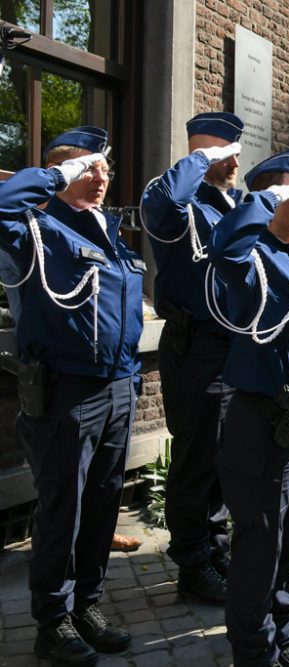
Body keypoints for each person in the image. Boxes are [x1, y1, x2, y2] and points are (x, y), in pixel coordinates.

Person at [0, 127, 141, 665]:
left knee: (104, 504)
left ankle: (87, 604)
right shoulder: (32, 228)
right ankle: (52, 620)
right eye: (90, 168)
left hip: (120, 385)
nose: (102, 177)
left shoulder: (108, 231)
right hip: (67, 393)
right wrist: (60, 174)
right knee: (65, 510)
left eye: (106, 169)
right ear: (62, 174)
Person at [208, 149, 289, 667]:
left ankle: (281, 636)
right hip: (261, 426)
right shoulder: (250, 254)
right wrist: (259, 198)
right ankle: (253, 651)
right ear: (270, 199)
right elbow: (225, 253)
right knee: (259, 547)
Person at [141, 111, 244, 604]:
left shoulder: (232, 208)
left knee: (222, 459)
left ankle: (214, 546)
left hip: (231, 348)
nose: (234, 160)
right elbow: (162, 203)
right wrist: (200, 159)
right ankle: (192, 561)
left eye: (233, 151)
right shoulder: (182, 205)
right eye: (223, 153)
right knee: (196, 459)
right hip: (195, 348)